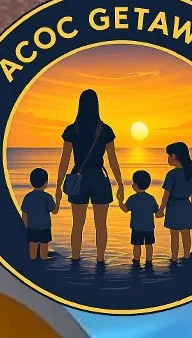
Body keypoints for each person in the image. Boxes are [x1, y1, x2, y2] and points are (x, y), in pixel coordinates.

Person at [52, 88, 124, 269]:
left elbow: (64, 161)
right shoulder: (105, 130)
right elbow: (113, 160)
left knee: (77, 224)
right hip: (99, 178)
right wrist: (120, 184)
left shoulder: (72, 130)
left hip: (79, 178)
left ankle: (75, 259)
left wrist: (58, 187)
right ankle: (100, 260)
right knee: (101, 225)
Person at [162, 141, 192, 265]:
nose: (168, 158)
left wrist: (161, 209)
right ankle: (187, 255)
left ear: (176, 157)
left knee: (174, 235)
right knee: (186, 234)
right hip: (186, 205)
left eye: (170, 155)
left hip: (174, 206)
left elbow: (166, 194)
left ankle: (174, 258)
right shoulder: (190, 173)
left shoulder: (171, 174)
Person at [20, 167, 59, 261]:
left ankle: (32, 258)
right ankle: (44, 257)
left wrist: (25, 226)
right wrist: (58, 200)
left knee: (33, 243)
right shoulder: (47, 197)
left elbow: (24, 213)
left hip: (32, 227)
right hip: (44, 227)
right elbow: (54, 211)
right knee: (44, 244)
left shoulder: (27, 197)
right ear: (46, 183)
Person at [123, 170, 158, 269]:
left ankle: (136, 259)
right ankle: (149, 260)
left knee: (137, 245)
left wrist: (120, 202)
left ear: (135, 185)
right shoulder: (151, 198)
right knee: (149, 244)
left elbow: (125, 209)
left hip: (136, 228)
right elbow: (157, 211)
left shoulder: (132, 198)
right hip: (149, 228)